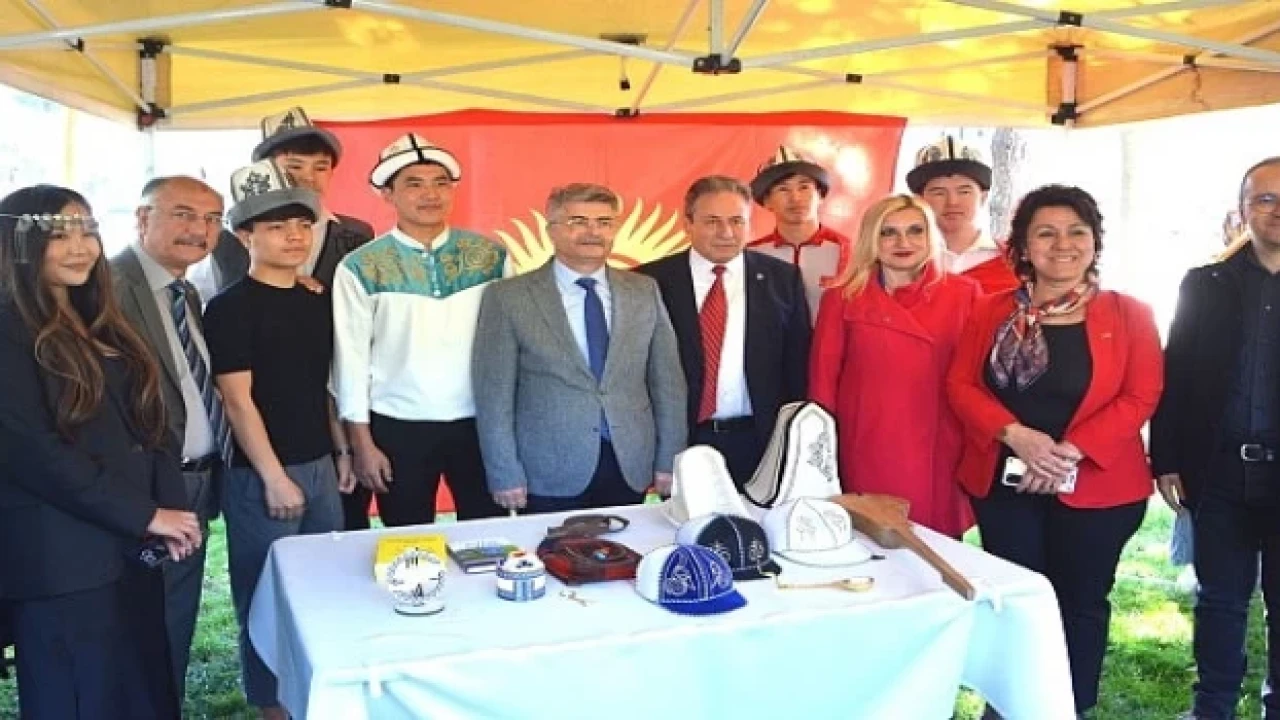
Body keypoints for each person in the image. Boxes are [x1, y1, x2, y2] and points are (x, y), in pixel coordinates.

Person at [947, 185, 1162, 718]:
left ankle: (1069, 706)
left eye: (1076, 232)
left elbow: (1142, 394)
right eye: (1045, 233)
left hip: (1098, 488)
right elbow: (961, 385)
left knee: (1080, 604)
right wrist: (1017, 436)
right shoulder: (990, 310)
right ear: (1023, 247)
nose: (1062, 244)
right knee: (1015, 603)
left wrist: (1066, 453)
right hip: (1005, 485)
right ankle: (1008, 706)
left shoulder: (1129, 314)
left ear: (1094, 242)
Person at [0, 184, 202, 719]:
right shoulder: (8, 329)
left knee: (139, 689)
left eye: (87, 230)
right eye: (59, 235)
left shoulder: (100, 318)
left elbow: (154, 420)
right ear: (18, 244)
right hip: (61, 561)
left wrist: (167, 508)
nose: (80, 247)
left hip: (128, 549)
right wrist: (145, 514)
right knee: (79, 698)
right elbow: (34, 453)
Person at [203, 160, 350, 720]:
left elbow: (322, 387)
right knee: (264, 594)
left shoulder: (315, 299)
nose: (294, 236)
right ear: (246, 237)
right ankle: (272, 705)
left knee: (325, 587)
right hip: (261, 473)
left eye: (303, 225)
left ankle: (319, 694)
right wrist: (272, 476)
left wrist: (340, 452)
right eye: (276, 227)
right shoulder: (230, 308)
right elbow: (237, 400)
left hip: (320, 465)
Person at [1152, 156, 1280, 720]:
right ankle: (1212, 708)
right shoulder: (1205, 284)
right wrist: (1166, 456)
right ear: (1243, 209)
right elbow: (1176, 371)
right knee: (1221, 601)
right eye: (1265, 199)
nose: (1277, 210)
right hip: (1220, 469)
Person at [473, 183, 687, 514]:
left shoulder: (644, 290)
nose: (593, 232)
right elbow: (493, 395)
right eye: (578, 221)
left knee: (624, 546)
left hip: (629, 463)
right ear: (551, 230)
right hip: (546, 468)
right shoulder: (508, 297)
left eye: (604, 222)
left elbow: (668, 384)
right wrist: (504, 471)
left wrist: (669, 460)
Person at [333, 133, 508, 526]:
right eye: (414, 184)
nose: (430, 194)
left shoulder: (491, 256)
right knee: (407, 540)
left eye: (440, 183)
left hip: (481, 422)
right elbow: (350, 359)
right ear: (388, 195)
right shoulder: (361, 266)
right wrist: (362, 443)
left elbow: (511, 345)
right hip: (397, 425)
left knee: (489, 537)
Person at [110, 175, 227, 701]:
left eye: (212, 218)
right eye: (183, 214)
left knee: (175, 616)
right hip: (139, 490)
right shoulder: (106, 287)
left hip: (195, 482)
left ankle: (164, 704)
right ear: (142, 218)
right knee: (131, 623)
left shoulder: (187, 292)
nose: (199, 229)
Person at [809, 194, 979, 537]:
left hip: (941, 444)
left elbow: (978, 378)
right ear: (871, 239)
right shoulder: (842, 298)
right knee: (871, 539)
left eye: (915, 231)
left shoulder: (965, 294)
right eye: (888, 233)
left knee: (931, 543)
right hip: (865, 442)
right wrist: (821, 452)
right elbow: (822, 382)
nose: (903, 242)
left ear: (931, 236)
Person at [637, 176, 809, 488]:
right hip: (678, 442)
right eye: (712, 221)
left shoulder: (783, 279)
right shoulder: (648, 282)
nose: (726, 233)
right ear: (687, 224)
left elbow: (797, 366)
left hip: (760, 443)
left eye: (736, 221)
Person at [747, 146, 851, 318]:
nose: (795, 198)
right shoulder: (751, 254)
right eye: (783, 189)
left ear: (820, 195)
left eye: (804, 187)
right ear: (766, 202)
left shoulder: (848, 251)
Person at [906, 135, 1019, 294]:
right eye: (939, 192)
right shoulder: (902, 264)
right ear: (919, 200)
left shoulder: (1017, 263)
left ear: (983, 197)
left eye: (964, 191)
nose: (952, 202)